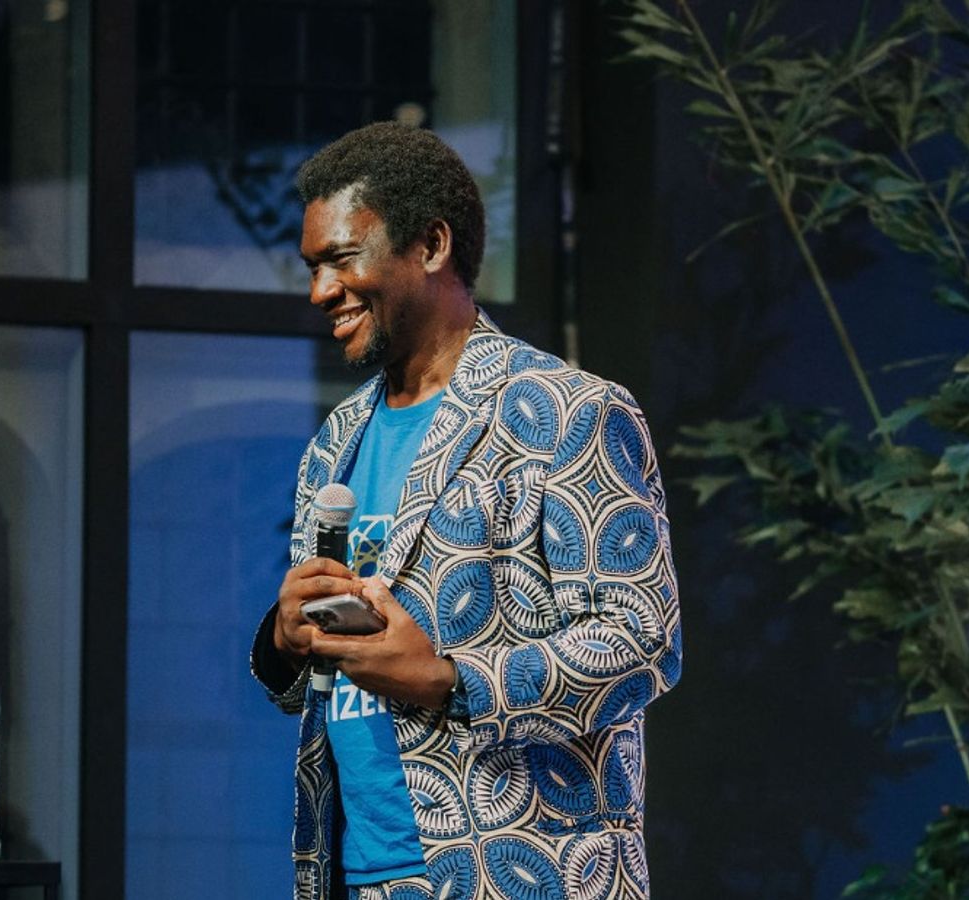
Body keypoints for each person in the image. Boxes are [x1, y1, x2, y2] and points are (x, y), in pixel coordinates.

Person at [249, 121, 682, 900]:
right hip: (356, 872)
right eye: (313, 268)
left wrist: (448, 679)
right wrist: (285, 638)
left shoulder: (564, 413)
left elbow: (639, 643)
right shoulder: (336, 440)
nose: (320, 292)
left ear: (431, 244)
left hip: (519, 874)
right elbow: (325, 677)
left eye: (342, 259)